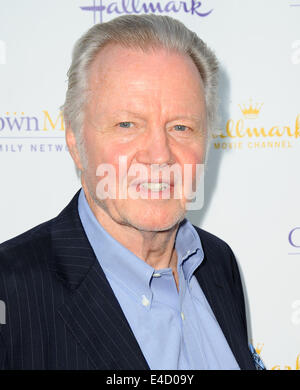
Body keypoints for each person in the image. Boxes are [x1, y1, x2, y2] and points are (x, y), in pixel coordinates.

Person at [0, 14, 264, 370]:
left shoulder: (217, 263)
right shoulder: (10, 290)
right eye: (127, 124)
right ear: (75, 140)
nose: (159, 155)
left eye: (182, 126)